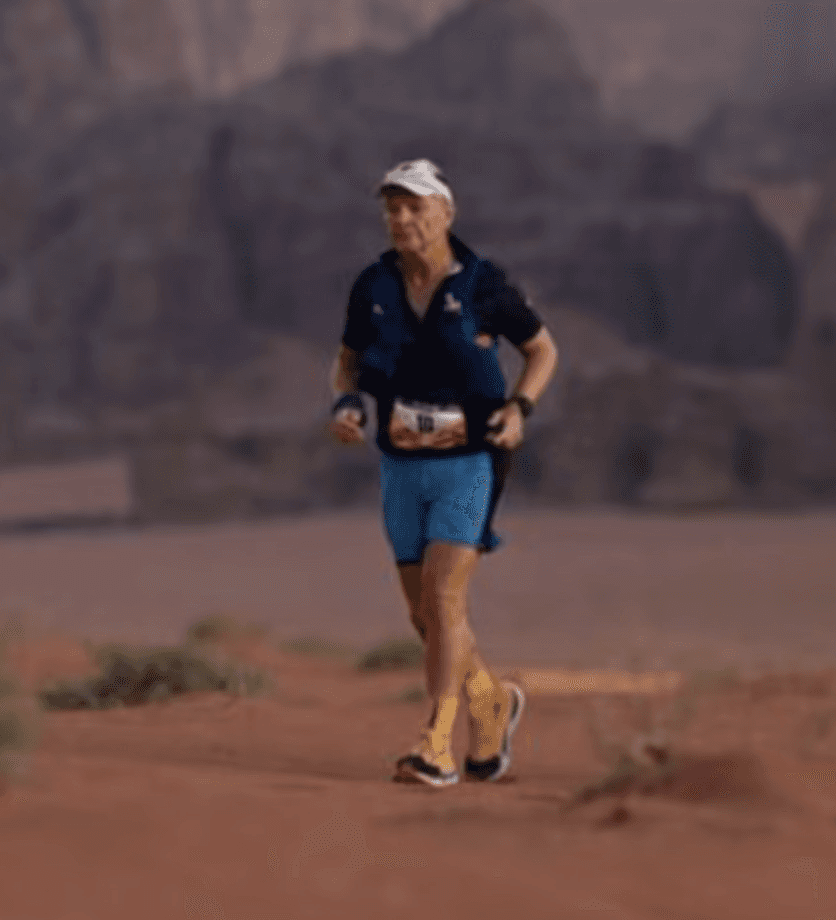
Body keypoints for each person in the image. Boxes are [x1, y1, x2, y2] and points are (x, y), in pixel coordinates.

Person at [329, 158, 558, 787]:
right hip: (402, 467)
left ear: (446, 213)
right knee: (425, 616)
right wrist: (347, 402)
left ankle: (436, 743)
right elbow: (347, 357)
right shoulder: (373, 284)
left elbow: (541, 349)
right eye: (393, 209)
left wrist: (520, 407)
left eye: (415, 207)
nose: (402, 219)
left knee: (445, 596)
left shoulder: (483, 283)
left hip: (471, 462)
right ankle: (492, 702)